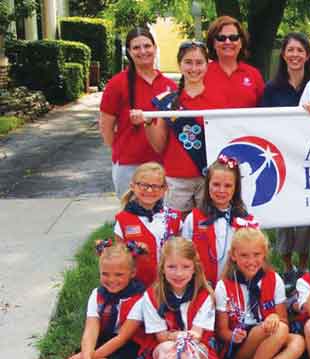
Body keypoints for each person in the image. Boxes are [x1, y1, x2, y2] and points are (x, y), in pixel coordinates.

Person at [11, 241, 146, 359]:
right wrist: (86, 358)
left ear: (132, 273)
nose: (111, 279)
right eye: (105, 274)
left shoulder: (139, 298)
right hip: (102, 343)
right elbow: (90, 331)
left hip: (128, 348)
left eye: (119, 274)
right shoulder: (97, 294)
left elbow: (121, 338)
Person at [135, 40, 228, 213]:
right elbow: (159, 146)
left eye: (199, 62)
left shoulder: (220, 99)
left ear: (207, 65)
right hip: (175, 179)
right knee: (173, 228)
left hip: (209, 178)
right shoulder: (167, 102)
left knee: (207, 227)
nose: (194, 68)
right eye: (188, 62)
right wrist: (147, 123)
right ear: (179, 64)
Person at [215, 228, 305, 359]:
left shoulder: (273, 279)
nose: (251, 261)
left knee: (298, 342)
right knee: (277, 329)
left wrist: (275, 317)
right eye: (244, 255)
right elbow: (221, 331)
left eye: (256, 254)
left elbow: (283, 321)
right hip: (239, 347)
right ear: (233, 256)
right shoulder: (224, 285)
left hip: (269, 339)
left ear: (264, 254)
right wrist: (233, 336)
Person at [260, 32, 310, 284]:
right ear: (283, 54)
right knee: (284, 210)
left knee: (305, 211)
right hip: (281, 155)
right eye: (290, 50)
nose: (295, 55)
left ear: (307, 55)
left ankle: (303, 264)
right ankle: (286, 265)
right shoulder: (272, 89)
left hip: (308, 156)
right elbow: (263, 121)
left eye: (300, 50)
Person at [140, 237, 221, 359]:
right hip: (164, 355)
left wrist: (184, 338)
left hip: (196, 352)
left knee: (189, 349)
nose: (178, 273)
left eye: (185, 267)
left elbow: (197, 335)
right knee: (167, 348)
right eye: (171, 267)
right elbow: (161, 337)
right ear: (162, 268)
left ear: (194, 268)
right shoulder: (152, 296)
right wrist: (178, 336)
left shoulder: (205, 295)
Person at [100, 28, 177, 198]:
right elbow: (106, 129)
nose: (143, 51)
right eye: (136, 47)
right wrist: (123, 150)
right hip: (129, 166)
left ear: (155, 48)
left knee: (162, 213)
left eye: (147, 46)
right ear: (128, 52)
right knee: (132, 213)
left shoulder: (169, 86)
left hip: (162, 165)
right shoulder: (117, 84)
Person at [182, 156, 259, 285]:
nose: (221, 190)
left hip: (236, 287)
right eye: (216, 184)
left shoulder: (246, 221)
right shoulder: (193, 218)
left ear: (235, 188)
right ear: (208, 185)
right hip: (201, 287)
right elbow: (185, 254)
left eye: (228, 186)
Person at [114, 162, 182, 287]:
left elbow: (182, 252)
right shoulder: (123, 220)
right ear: (133, 186)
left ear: (164, 189)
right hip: (136, 287)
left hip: (170, 285)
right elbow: (119, 258)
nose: (150, 190)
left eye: (156, 186)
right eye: (144, 185)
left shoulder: (174, 217)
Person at [204, 16, 265, 108]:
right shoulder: (201, 73)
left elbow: (264, 110)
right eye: (221, 38)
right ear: (213, 43)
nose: (228, 42)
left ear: (241, 43)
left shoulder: (254, 75)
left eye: (233, 37)